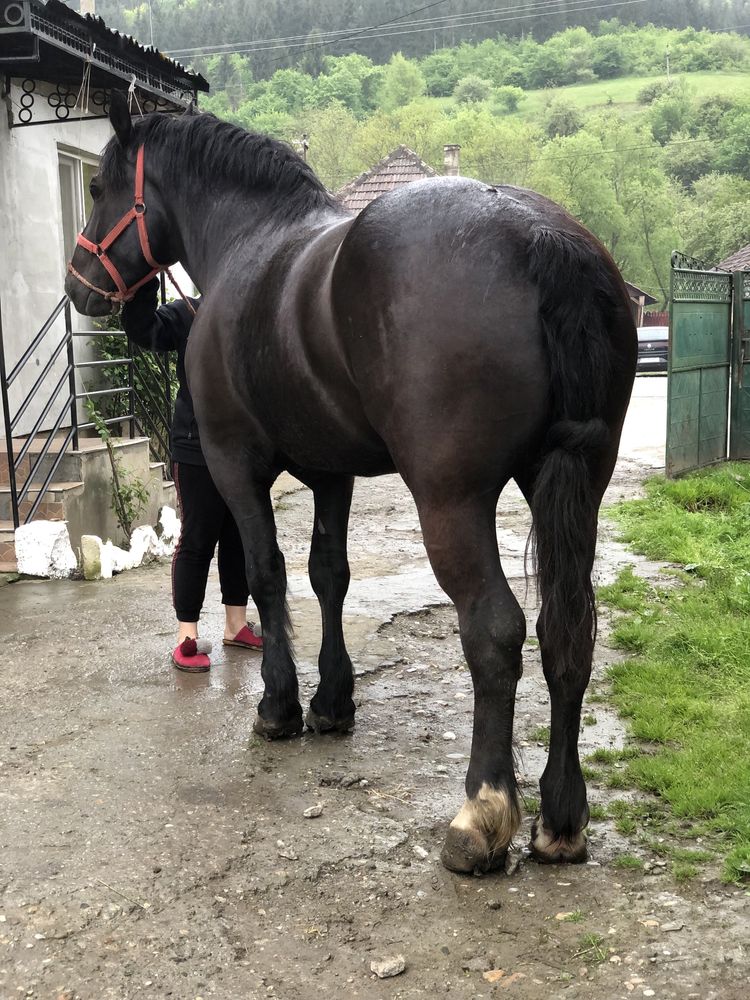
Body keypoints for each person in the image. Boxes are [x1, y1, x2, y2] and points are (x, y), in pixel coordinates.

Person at [121, 279, 262, 673]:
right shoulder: (185, 313)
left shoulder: (246, 311)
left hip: (242, 449)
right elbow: (143, 329)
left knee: (238, 537)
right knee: (198, 539)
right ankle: (186, 636)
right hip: (195, 447)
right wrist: (144, 282)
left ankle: (236, 625)